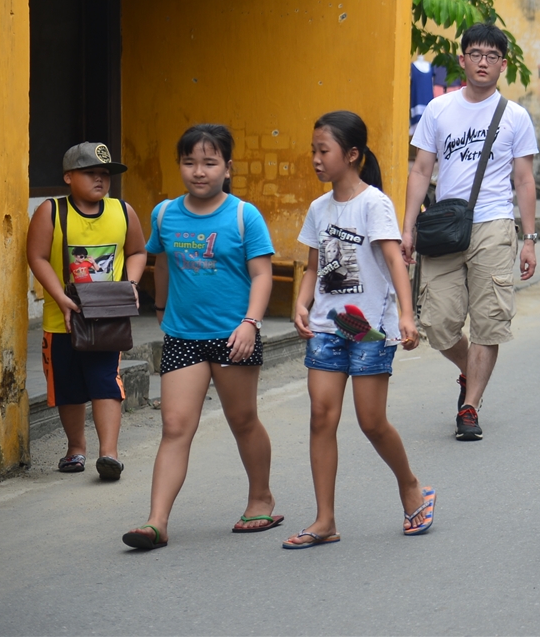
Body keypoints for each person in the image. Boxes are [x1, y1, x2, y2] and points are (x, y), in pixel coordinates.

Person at [122, 125, 279, 550]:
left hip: (234, 336)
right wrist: (160, 310)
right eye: (190, 162)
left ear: (227, 168)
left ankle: (261, 497)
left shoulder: (244, 216)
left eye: (210, 163)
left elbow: (261, 274)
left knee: (242, 420)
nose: (199, 171)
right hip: (183, 336)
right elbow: (165, 263)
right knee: (174, 426)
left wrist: (250, 323)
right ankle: (156, 521)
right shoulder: (165, 214)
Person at [285, 112, 433, 549]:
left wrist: (406, 315)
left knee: (371, 421)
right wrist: (300, 301)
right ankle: (324, 519)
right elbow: (313, 267)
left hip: (369, 329)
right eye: (313, 150)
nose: (315, 158)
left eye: (323, 150)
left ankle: (410, 486)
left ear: (352, 155)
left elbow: (393, 262)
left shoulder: (374, 204)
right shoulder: (318, 208)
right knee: (321, 418)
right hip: (327, 327)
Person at [404, 22, 539, 443]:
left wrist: (530, 239)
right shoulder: (439, 110)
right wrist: (406, 228)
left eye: (492, 56)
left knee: (488, 321)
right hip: (445, 224)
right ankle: (469, 371)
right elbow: (421, 170)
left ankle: (470, 406)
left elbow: (524, 180)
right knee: (437, 321)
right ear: (462, 60)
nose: (484, 62)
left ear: (503, 65)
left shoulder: (515, 117)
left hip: (495, 225)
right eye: (476, 54)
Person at [25, 143, 148, 481]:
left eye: (105, 174)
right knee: (67, 384)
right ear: (68, 176)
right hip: (61, 317)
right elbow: (35, 256)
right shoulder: (51, 211)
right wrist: (61, 298)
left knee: (105, 380)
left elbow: (137, 251)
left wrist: (131, 285)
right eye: (90, 172)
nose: (100, 179)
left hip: (108, 317)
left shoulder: (123, 211)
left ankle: (109, 453)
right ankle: (75, 448)